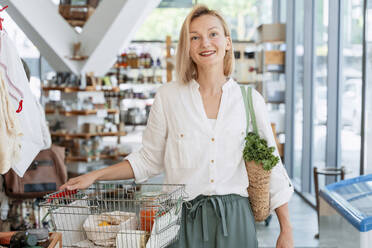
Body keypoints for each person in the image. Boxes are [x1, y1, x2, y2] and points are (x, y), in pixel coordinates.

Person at [61, 4, 294, 248]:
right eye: (195, 37)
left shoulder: (249, 100)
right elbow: (148, 160)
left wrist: (286, 229)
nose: (205, 43)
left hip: (234, 221)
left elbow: (272, 166)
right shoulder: (168, 97)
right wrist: (95, 175)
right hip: (181, 220)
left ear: (227, 42)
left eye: (213, 34)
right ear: (188, 48)